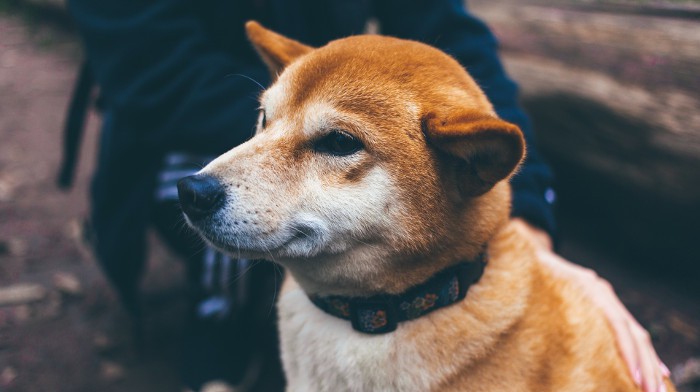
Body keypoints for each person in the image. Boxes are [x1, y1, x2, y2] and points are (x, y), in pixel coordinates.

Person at [60, 0, 668, 391]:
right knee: (214, 187)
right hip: (171, 128)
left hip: (331, 103)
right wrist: (305, 108)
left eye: (335, 143)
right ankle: (217, 319)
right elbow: (155, 79)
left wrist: (531, 220)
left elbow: (455, 40)